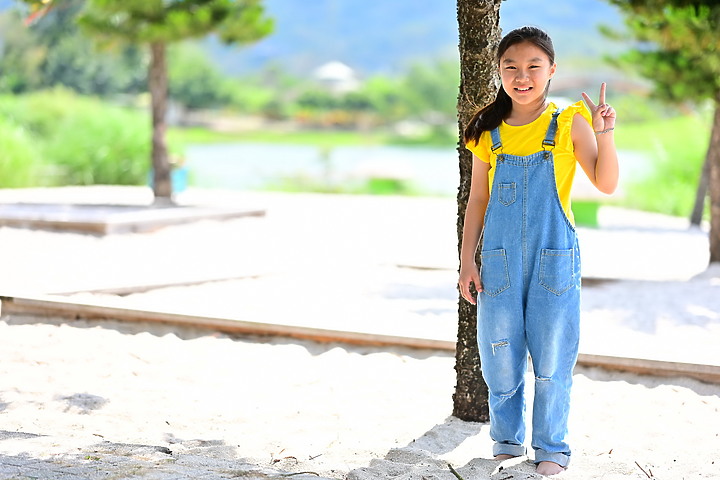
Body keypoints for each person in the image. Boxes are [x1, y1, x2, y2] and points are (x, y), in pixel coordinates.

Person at [458, 26, 619, 476]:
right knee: (500, 353)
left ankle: (551, 450)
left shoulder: (569, 123)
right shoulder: (486, 130)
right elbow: (477, 200)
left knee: (552, 358)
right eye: (511, 67)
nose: (522, 76)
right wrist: (466, 259)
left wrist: (605, 134)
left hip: (555, 259)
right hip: (499, 262)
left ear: (551, 70)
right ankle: (506, 442)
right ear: (499, 72)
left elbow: (605, 183)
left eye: (533, 66)